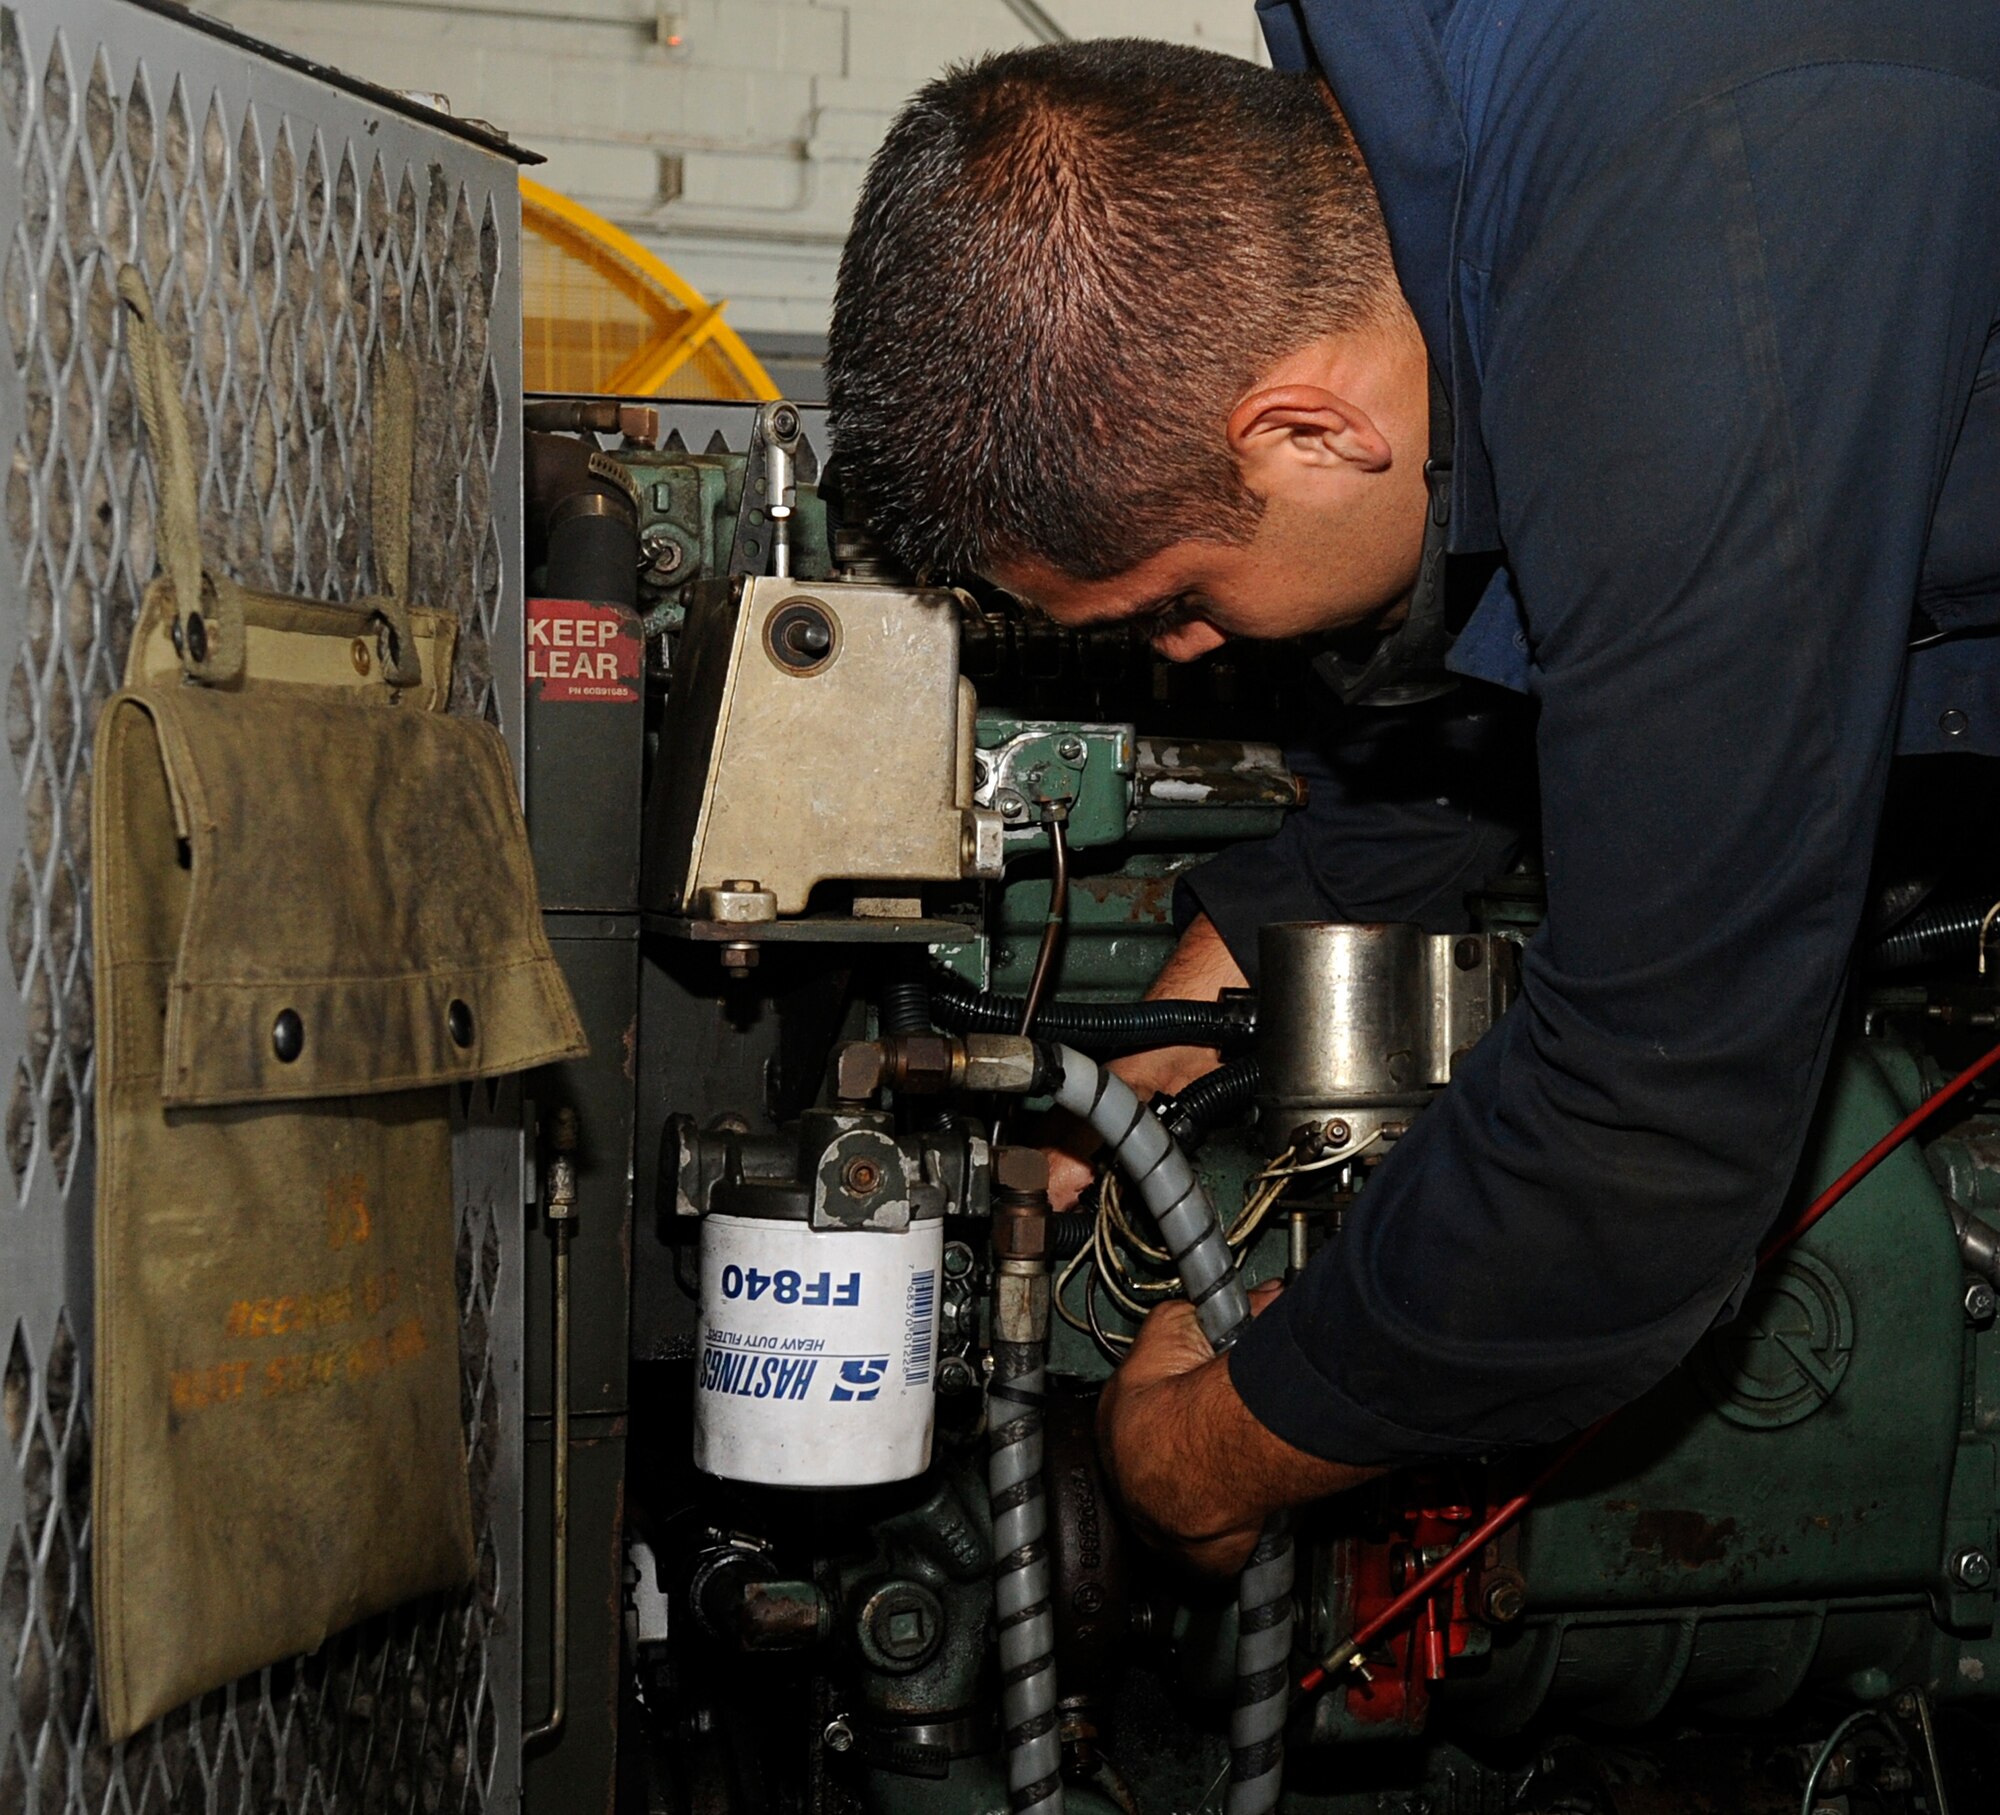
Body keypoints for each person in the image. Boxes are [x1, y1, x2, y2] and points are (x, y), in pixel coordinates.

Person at [824, 10, 2000, 1573]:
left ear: (1312, 428)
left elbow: (1643, 1129)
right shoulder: (1429, 118)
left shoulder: (1697, 293)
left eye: (1179, 597)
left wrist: (1213, 1450)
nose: (1187, 650)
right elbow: (1514, 553)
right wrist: (1227, 967)